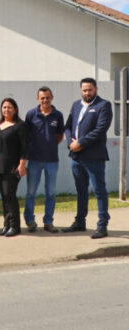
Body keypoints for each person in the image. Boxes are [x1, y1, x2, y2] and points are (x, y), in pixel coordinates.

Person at [63, 78, 113, 239]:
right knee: (80, 190)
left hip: (94, 156)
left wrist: (81, 143)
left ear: (96, 89)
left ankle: (102, 225)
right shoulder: (76, 105)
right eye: (84, 90)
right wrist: (71, 142)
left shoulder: (104, 105)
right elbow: (68, 126)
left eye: (90, 90)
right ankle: (80, 221)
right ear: (81, 90)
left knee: (99, 191)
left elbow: (100, 129)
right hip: (76, 157)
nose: (87, 93)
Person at [23, 87, 65, 233]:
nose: (45, 100)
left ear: (52, 97)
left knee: (51, 193)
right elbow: (26, 136)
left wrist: (49, 145)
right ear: (37, 99)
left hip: (52, 160)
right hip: (34, 160)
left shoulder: (58, 115)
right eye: (42, 98)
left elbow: (60, 136)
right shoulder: (31, 114)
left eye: (47, 97)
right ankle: (30, 220)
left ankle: (48, 222)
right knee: (31, 193)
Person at [0, 98, 29, 237]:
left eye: (9, 107)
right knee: (4, 197)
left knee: (9, 196)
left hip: (11, 167)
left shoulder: (20, 126)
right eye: (4, 107)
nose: (6, 110)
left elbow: (25, 147)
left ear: (15, 109)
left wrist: (22, 165)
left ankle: (15, 226)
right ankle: (7, 225)